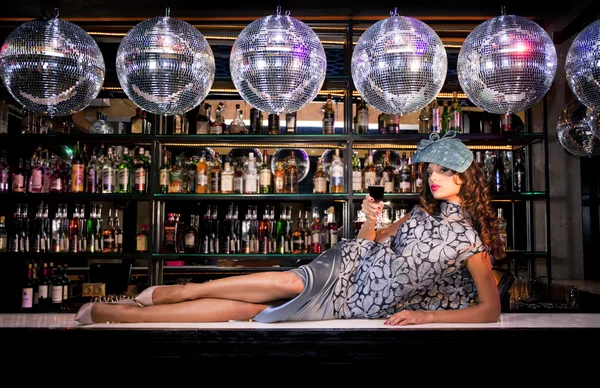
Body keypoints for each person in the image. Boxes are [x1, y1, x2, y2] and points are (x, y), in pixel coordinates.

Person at [75, 130, 505, 326]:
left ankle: (120, 314)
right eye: (430, 171)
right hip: (346, 268)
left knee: (250, 314)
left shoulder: (470, 242)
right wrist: (372, 223)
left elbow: (490, 311)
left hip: (355, 305)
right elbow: (368, 245)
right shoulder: (417, 215)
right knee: (282, 279)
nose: (432, 178)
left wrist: (424, 316)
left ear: (467, 177)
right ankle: (176, 291)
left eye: (443, 172)